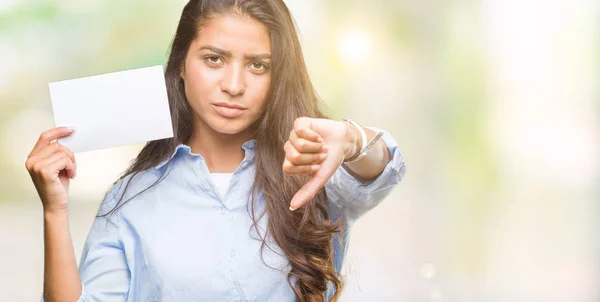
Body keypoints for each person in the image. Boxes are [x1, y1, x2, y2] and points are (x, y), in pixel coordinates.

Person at [26, 0, 406, 301]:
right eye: (214, 59)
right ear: (180, 65)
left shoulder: (313, 174)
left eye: (258, 66)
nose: (234, 84)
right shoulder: (130, 200)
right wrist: (54, 211)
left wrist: (352, 137)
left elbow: (383, 165)